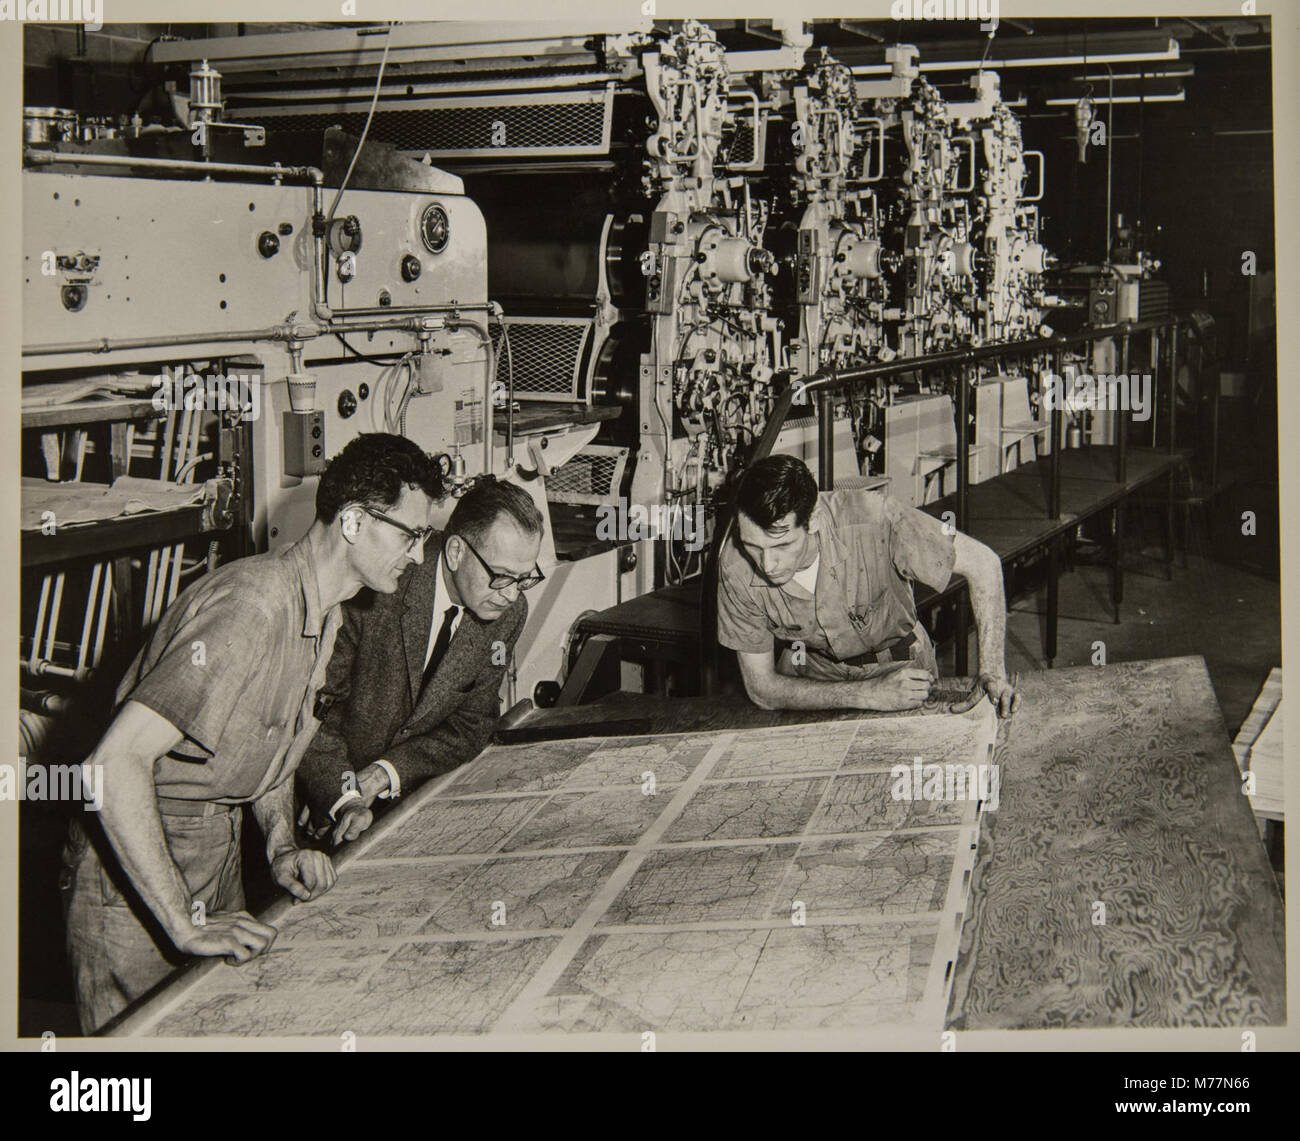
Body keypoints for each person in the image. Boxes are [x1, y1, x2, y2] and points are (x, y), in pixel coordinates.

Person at [60, 433, 444, 1033]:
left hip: (219, 851)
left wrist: (280, 845)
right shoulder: (251, 609)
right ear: (351, 522)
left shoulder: (326, 611)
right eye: (409, 535)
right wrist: (183, 924)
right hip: (132, 867)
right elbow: (112, 766)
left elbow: (272, 745)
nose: (418, 556)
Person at [298, 476, 545, 846]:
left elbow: (472, 725)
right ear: (457, 551)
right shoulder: (377, 587)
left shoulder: (507, 614)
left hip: (399, 801)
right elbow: (312, 709)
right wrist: (343, 796)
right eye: (501, 576)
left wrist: (385, 774)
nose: (511, 595)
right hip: (311, 799)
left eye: (524, 579)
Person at [717, 454, 1020, 717]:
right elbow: (762, 689)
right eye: (753, 547)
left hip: (900, 670)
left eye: (782, 545)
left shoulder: (877, 518)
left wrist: (992, 671)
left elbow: (983, 563)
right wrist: (867, 695)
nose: (767, 565)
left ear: (814, 521)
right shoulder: (735, 565)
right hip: (810, 674)